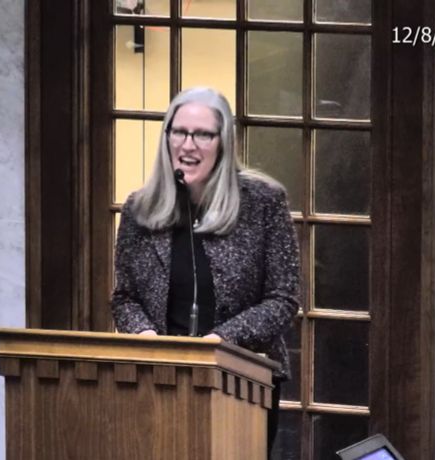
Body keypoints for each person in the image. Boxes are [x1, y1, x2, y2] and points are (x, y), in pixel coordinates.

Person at [110, 86, 301, 459]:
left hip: (243, 383)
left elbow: (283, 299)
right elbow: (125, 297)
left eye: (202, 134)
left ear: (224, 141)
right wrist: (144, 335)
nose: (188, 144)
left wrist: (221, 341)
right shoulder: (139, 208)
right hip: (162, 382)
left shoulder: (264, 202)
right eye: (179, 132)